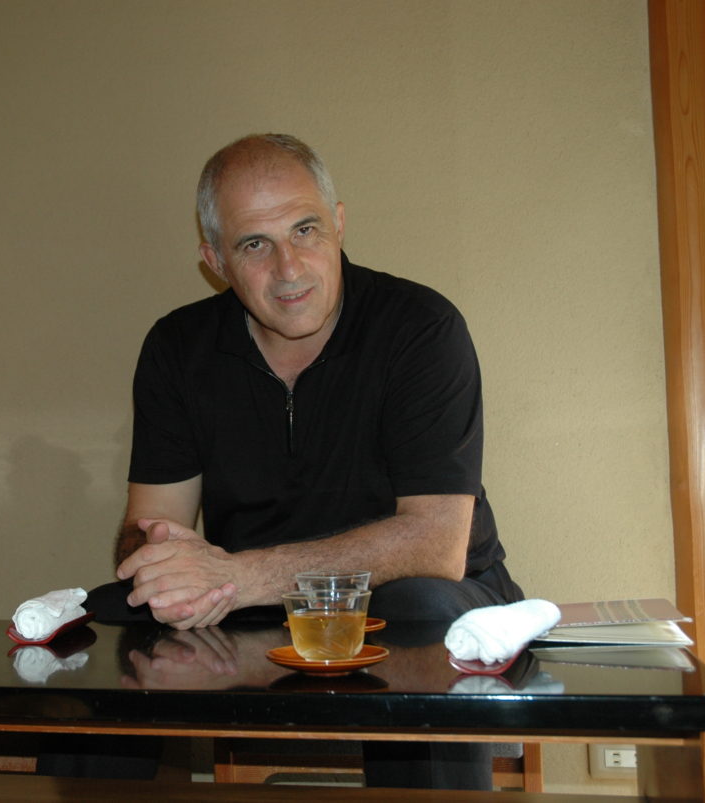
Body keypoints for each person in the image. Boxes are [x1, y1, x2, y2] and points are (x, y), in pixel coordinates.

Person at [80, 133, 523, 790]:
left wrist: (238, 577)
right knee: (110, 611)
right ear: (215, 260)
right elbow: (148, 523)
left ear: (339, 223)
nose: (289, 268)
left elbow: (436, 542)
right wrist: (165, 567)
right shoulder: (178, 347)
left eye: (306, 230)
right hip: (253, 602)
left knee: (421, 607)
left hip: (418, 595)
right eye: (253, 245)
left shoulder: (420, 328)